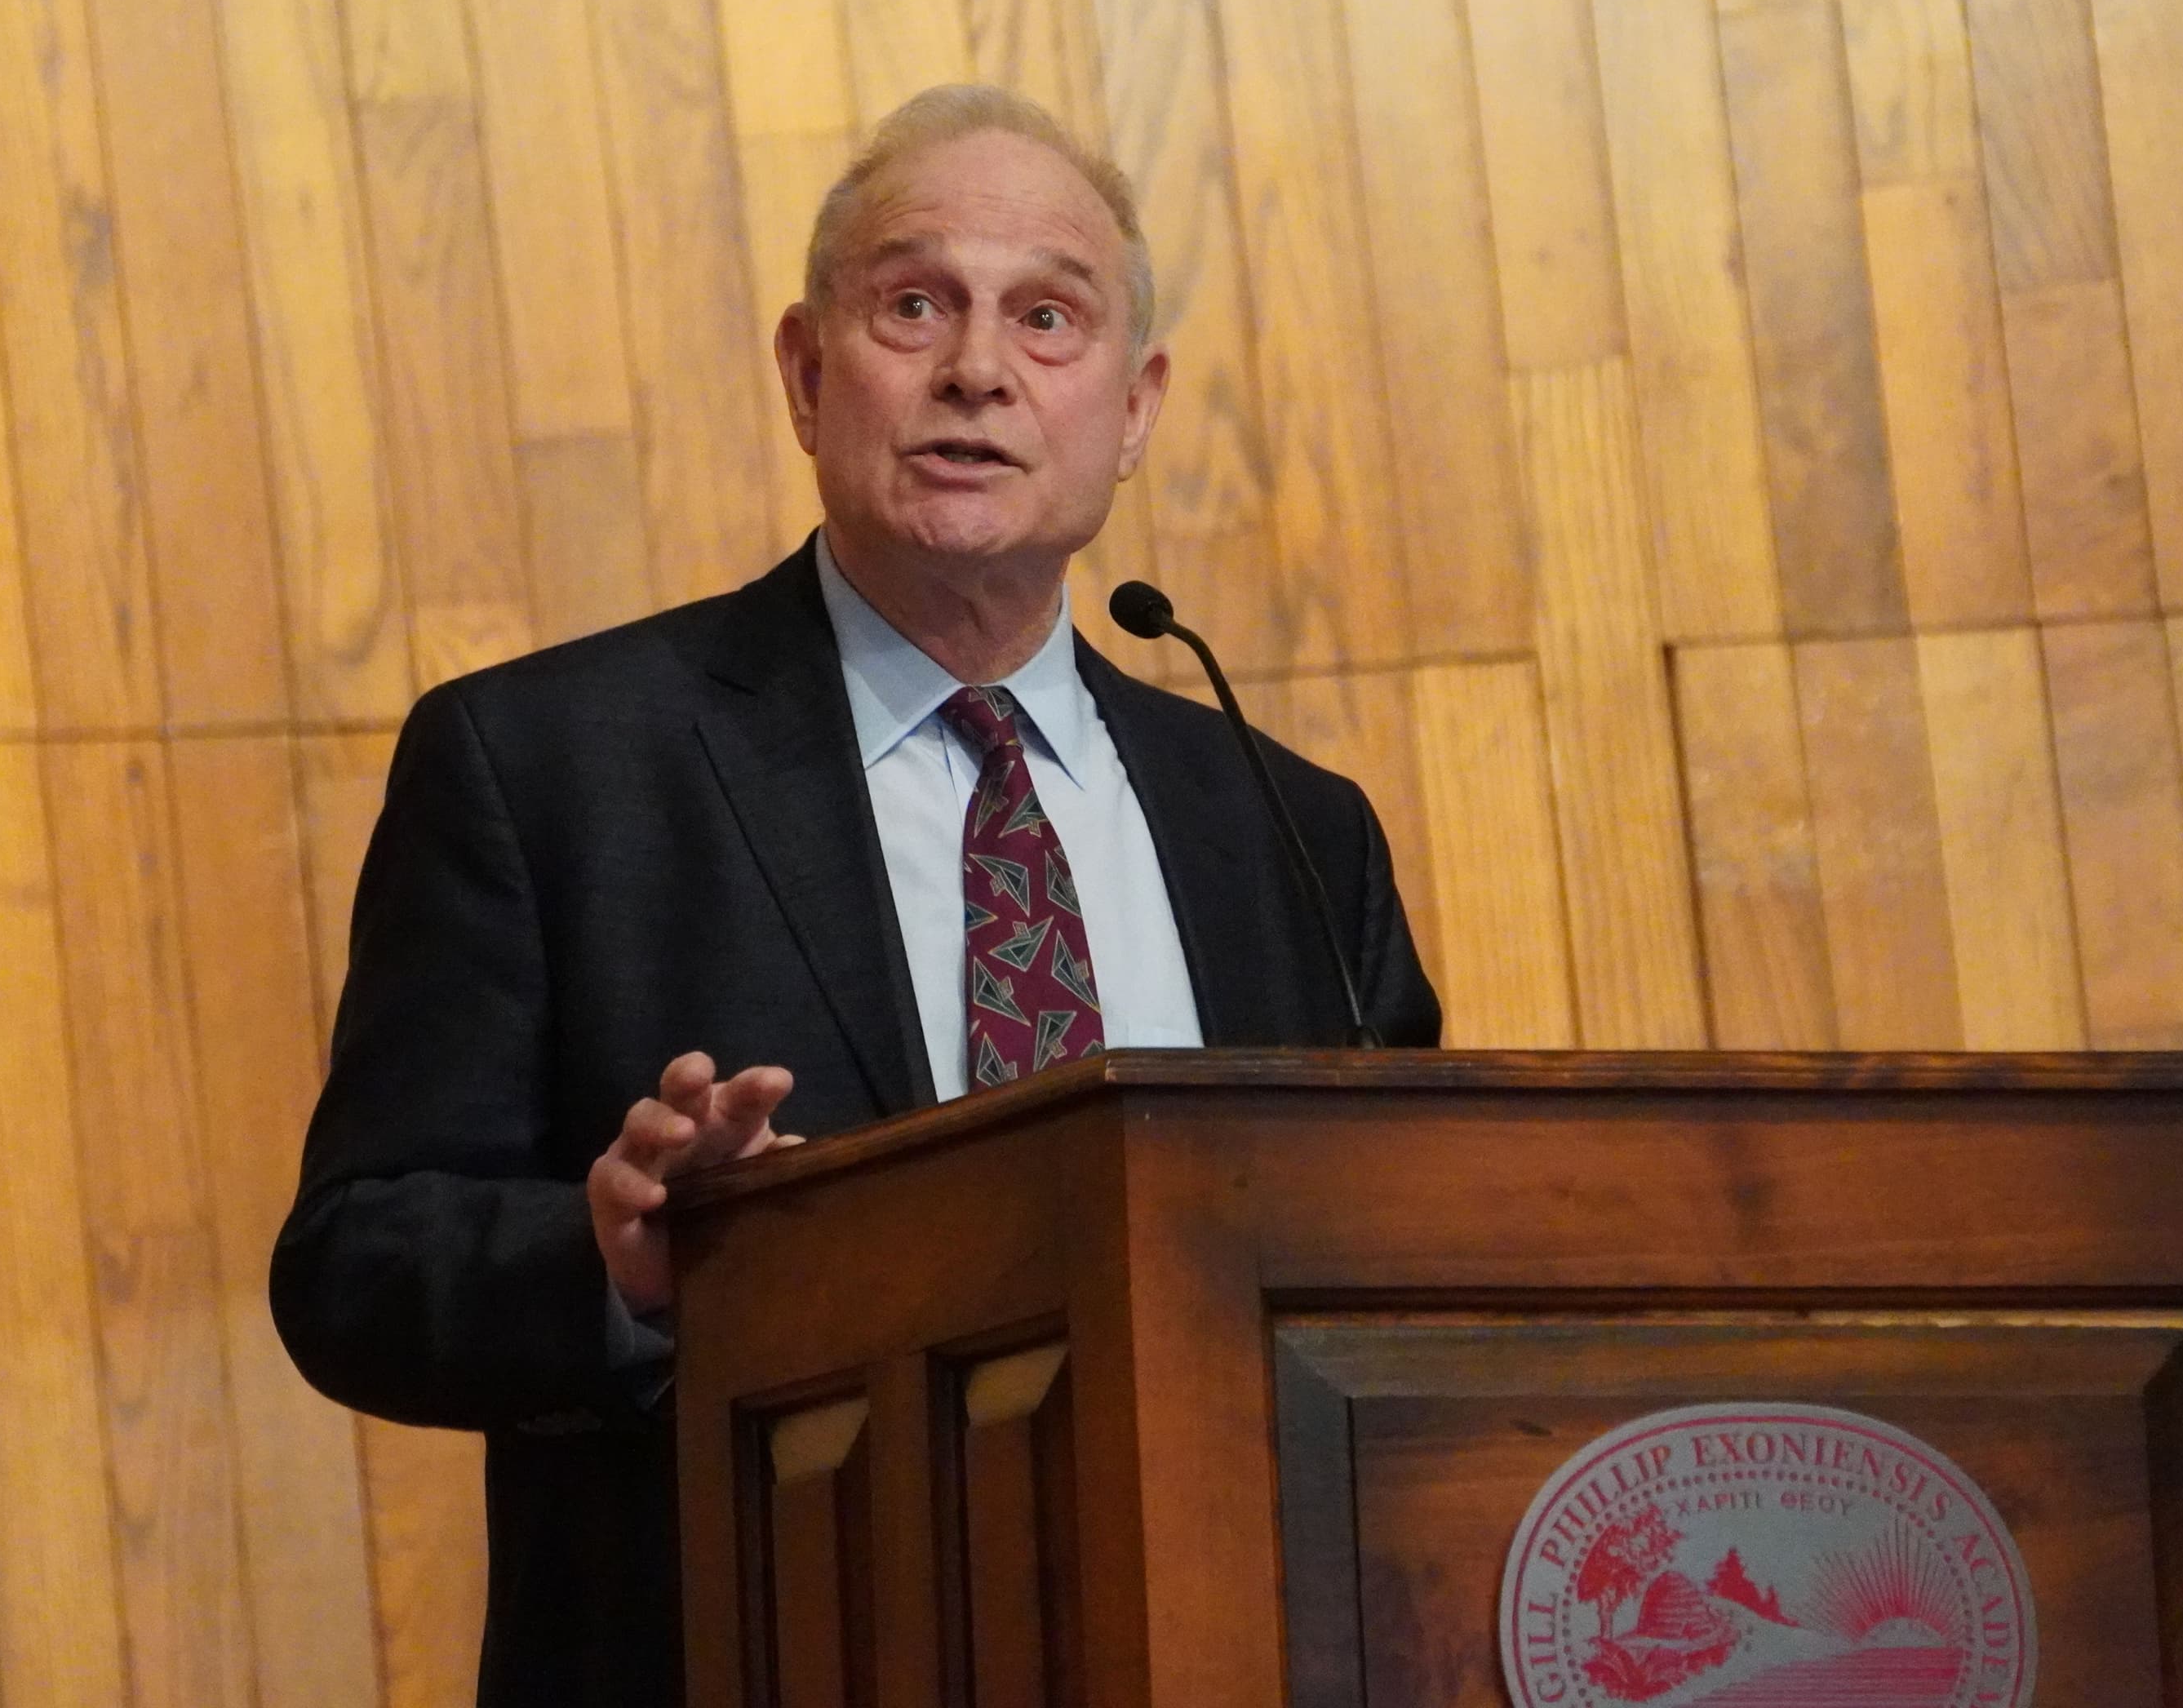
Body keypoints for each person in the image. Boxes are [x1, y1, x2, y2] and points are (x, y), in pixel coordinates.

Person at [270, 84, 1442, 1705]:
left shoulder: (1284, 825)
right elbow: (353, 1262)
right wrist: (617, 1260)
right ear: (808, 372)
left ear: (1134, 404)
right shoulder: (549, 765)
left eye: (1047, 315)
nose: (978, 367)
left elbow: (1407, 1276)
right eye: (914, 305)